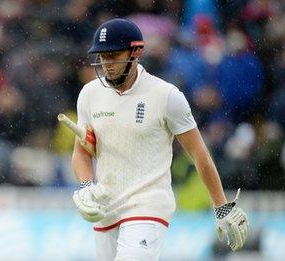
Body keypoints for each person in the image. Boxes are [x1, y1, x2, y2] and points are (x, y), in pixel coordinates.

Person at [71, 18, 249, 260]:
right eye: (102, 57)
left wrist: (221, 205)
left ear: (136, 52)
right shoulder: (89, 94)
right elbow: (82, 150)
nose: (107, 64)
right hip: (107, 208)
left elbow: (198, 152)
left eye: (113, 55)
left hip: (148, 205)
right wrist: (85, 185)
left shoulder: (166, 96)